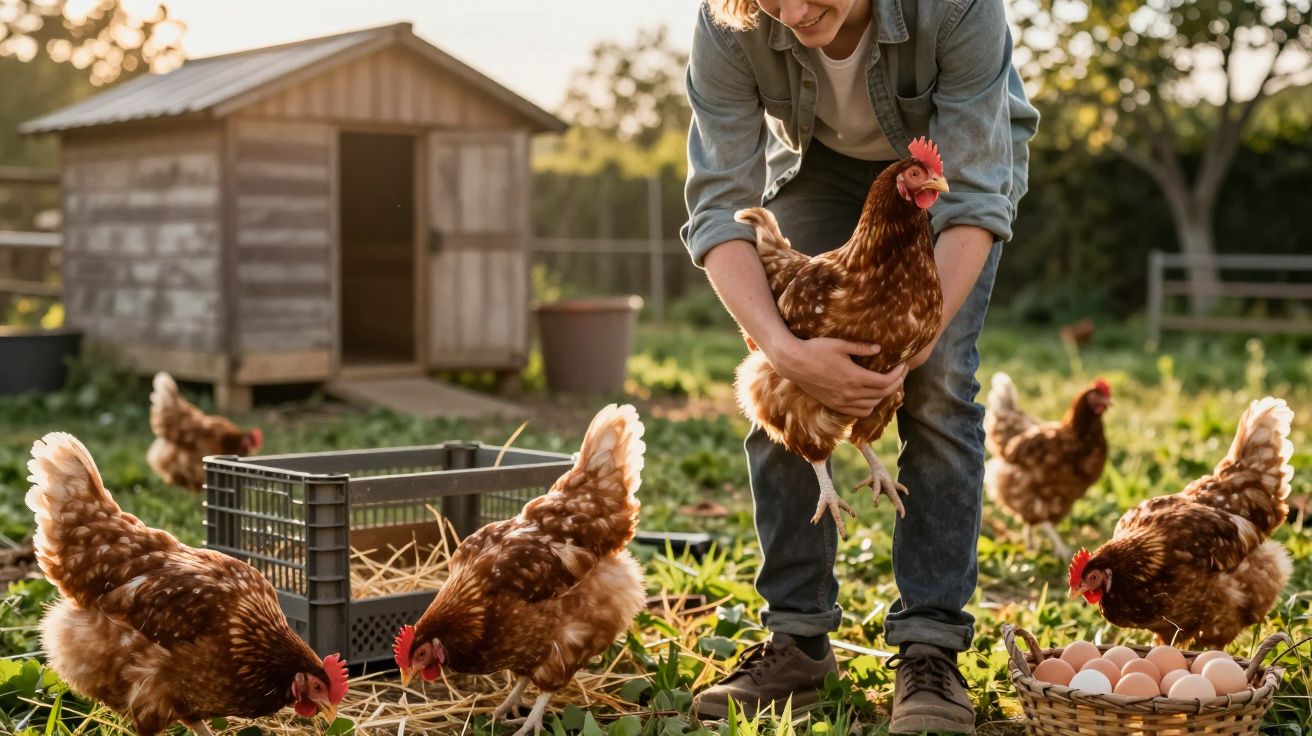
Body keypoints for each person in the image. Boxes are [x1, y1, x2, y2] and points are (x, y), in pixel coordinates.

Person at [679, 0, 1039, 732]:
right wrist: (784, 352)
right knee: (789, 394)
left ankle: (929, 649)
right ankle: (798, 638)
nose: (794, 11)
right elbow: (720, 203)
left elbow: (971, 192)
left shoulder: (960, 8)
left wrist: (913, 344)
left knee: (938, 386)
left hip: (946, 185)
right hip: (814, 170)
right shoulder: (729, 20)